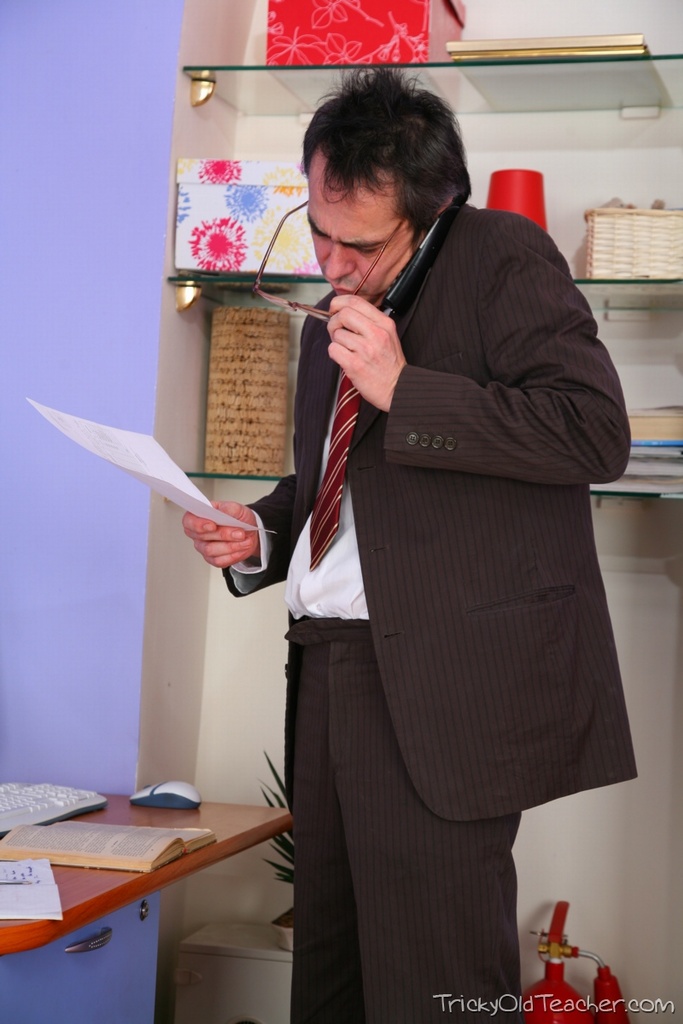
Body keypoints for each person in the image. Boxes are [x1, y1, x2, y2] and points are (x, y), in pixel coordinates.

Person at [182, 67, 637, 1023]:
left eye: (359, 244)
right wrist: (257, 532)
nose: (332, 264)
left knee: (434, 980)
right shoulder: (333, 312)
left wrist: (405, 389)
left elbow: (593, 434)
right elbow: (330, 489)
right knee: (331, 970)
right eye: (317, 232)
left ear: (433, 213)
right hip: (326, 666)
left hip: (438, 681)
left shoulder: (502, 255)